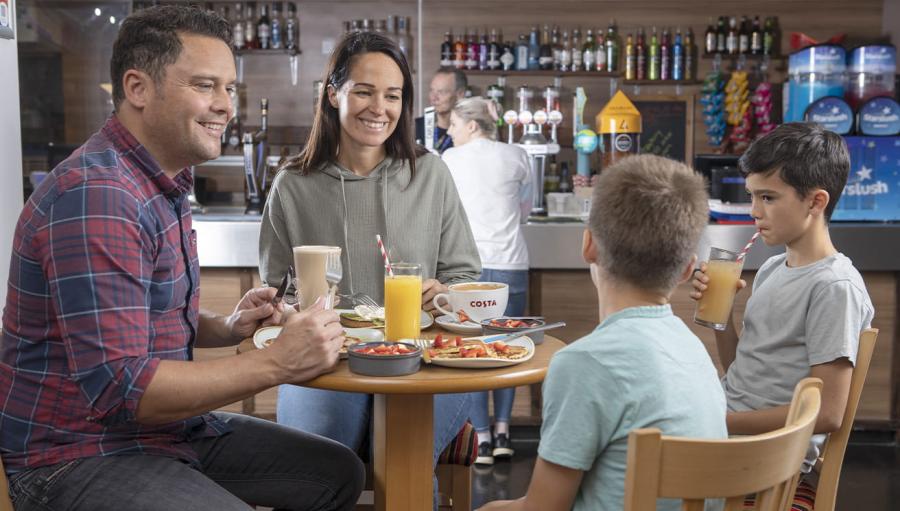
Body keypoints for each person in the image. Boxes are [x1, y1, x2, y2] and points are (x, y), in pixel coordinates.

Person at [0, 6, 364, 510]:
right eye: (204, 85)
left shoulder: (160, 183)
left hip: (163, 433)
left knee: (336, 472)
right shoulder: (99, 195)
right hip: (78, 453)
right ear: (137, 88)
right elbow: (123, 388)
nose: (225, 106)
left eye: (229, 88)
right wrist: (277, 361)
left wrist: (227, 326)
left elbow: (141, 312)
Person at [257, 31, 480, 491]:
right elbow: (276, 293)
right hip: (325, 358)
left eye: (392, 95)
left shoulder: (431, 173)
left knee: (401, 469)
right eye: (363, 91)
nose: (379, 108)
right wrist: (282, 309)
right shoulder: (292, 185)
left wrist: (444, 294)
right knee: (314, 473)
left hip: (424, 357)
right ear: (333, 93)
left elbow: (465, 279)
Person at [479, 155, 728, 511]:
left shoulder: (582, 364)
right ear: (688, 268)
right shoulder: (694, 352)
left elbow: (542, 509)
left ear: (588, 245)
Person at [691, 123, 874, 505]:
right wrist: (720, 316)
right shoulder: (775, 268)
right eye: (751, 196)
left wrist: (721, 422)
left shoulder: (834, 287)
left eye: (768, 198)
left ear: (816, 201)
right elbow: (742, 368)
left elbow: (827, 414)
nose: (754, 211)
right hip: (734, 435)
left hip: (768, 457)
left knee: (631, 473)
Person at [442, 97, 531, 466]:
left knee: (472, 350)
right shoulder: (517, 155)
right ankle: (503, 432)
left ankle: (479, 438)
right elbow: (526, 209)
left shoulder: (448, 159)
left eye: (454, 126)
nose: (449, 132)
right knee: (508, 346)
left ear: (473, 126)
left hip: (469, 268)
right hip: (512, 263)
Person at [414, 66, 468, 153]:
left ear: (460, 94)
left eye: (441, 92)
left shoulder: (468, 132)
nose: (433, 98)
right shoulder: (415, 127)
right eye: (432, 90)